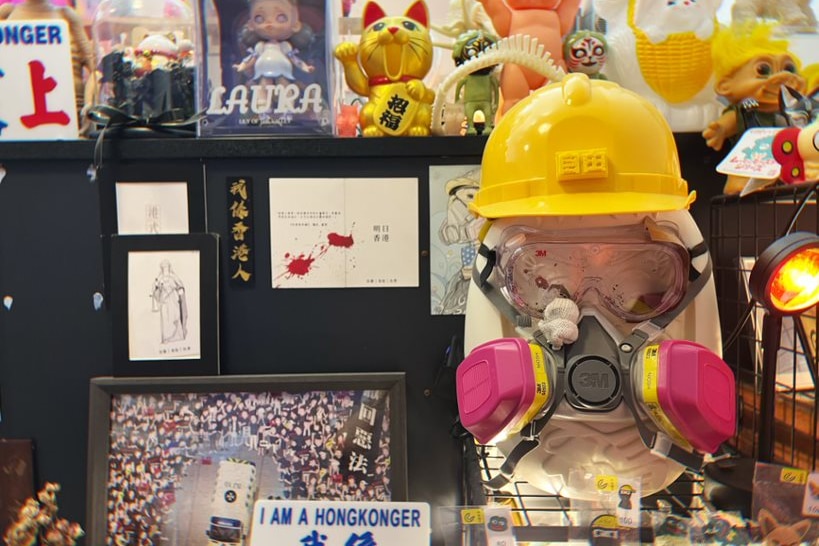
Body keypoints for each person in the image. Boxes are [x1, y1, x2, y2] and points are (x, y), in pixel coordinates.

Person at [702, 22, 807, 193]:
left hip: (786, 165)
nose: (781, 77)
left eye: (789, 68)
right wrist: (720, 129)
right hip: (750, 161)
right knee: (744, 175)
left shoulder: (794, 112)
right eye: (763, 70)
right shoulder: (744, 111)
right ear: (725, 86)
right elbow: (728, 123)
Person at [151, 260, 187, 343]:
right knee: (166, 319)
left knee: (175, 316)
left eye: (166, 267)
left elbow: (180, 285)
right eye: (163, 267)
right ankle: (167, 337)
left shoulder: (173, 276)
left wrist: (180, 290)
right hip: (164, 301)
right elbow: (155, 290)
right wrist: (157, 289)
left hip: (173, 299)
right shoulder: (159, 278)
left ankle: (177, 336)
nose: (165, 269)